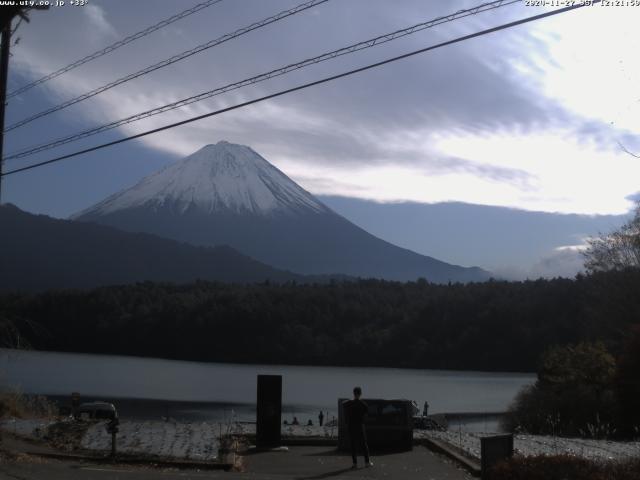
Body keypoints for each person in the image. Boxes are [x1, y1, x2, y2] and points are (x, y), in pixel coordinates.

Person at [344, 386, 372, 469]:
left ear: (353, 393)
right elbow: (367, 412)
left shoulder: (349, 403)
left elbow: (344, 404)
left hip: (351, 426)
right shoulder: (363, 404)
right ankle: (367, 462)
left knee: (353, 445)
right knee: (364, 444)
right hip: (360, 425)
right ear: (360, 394)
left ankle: (354, 463)